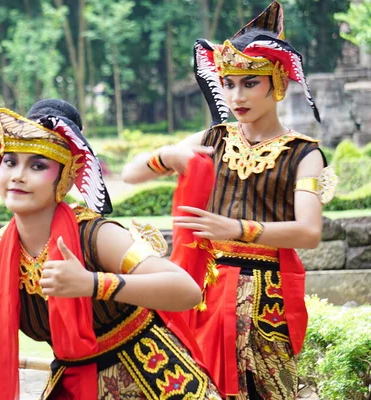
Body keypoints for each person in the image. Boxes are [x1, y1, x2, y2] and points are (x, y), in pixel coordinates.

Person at [0, 99, 222, 399]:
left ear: (66, 178)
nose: (18, 175)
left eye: (37, 165)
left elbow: (186, 290)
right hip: (72, 383)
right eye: (10, 162)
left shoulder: (96, 236)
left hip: (153, 378)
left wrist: (92, 284)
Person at [122, 2, 338, 399]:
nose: (236, 95)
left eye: (249, 83)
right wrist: (166, 157)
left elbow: (309, 233)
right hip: (201, 287)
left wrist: (238, 229)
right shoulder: (213, 138)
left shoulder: (305, 154)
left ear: (278, 83)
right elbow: (130, 173)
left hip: (264, 295)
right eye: (228, 83)